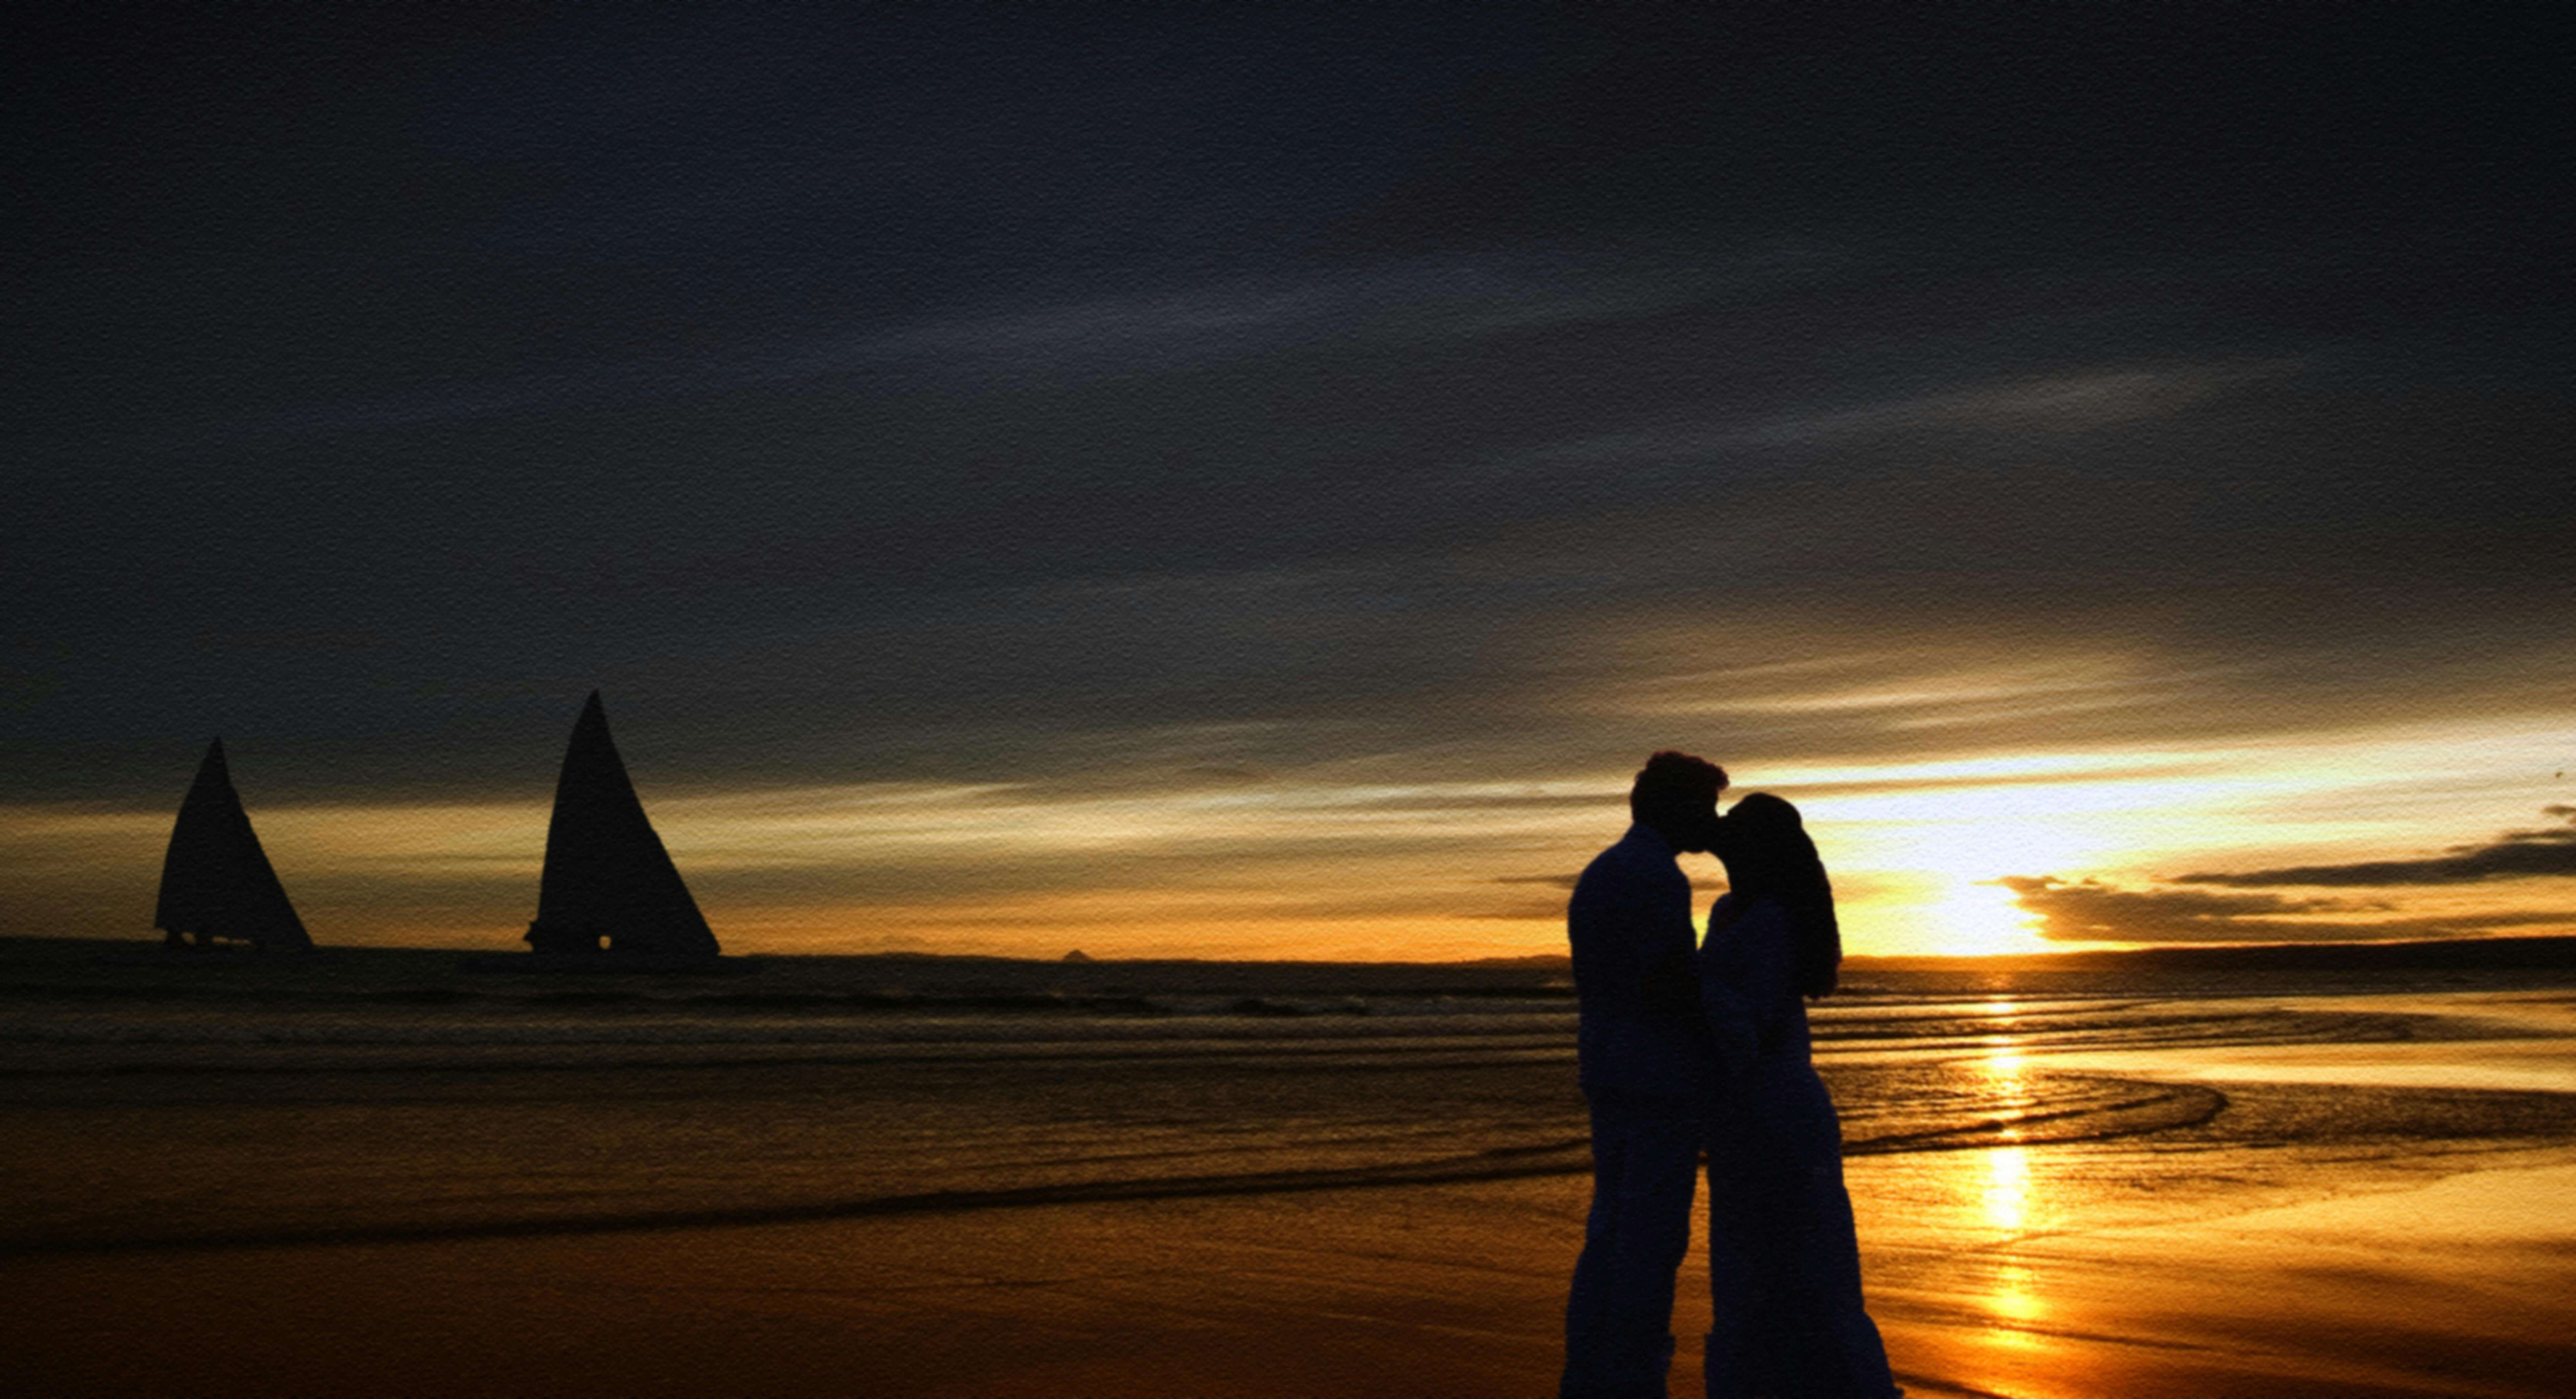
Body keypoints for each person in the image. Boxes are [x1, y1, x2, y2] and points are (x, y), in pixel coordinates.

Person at [1697, 792, 1900, 1398]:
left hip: (1774, 1105)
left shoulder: (1774, 918)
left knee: (1805, 1259)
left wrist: (1682, 996)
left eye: (1739, 834)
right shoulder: (1731, 910)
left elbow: (1750, 1022)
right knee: (1753, 1260)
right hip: (1747, 1107)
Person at [1561, 750, 1729, 1399]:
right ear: (1675, 808)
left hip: (1608, 1067)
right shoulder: (1655, 877)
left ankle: (1595, 1367)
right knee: (1651, 1237)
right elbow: (1666, 984)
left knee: (1611, 1228)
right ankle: (1630, 1371)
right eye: (1705, 808)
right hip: (1655, 1078)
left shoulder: (1604, 871)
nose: (1711, 822)